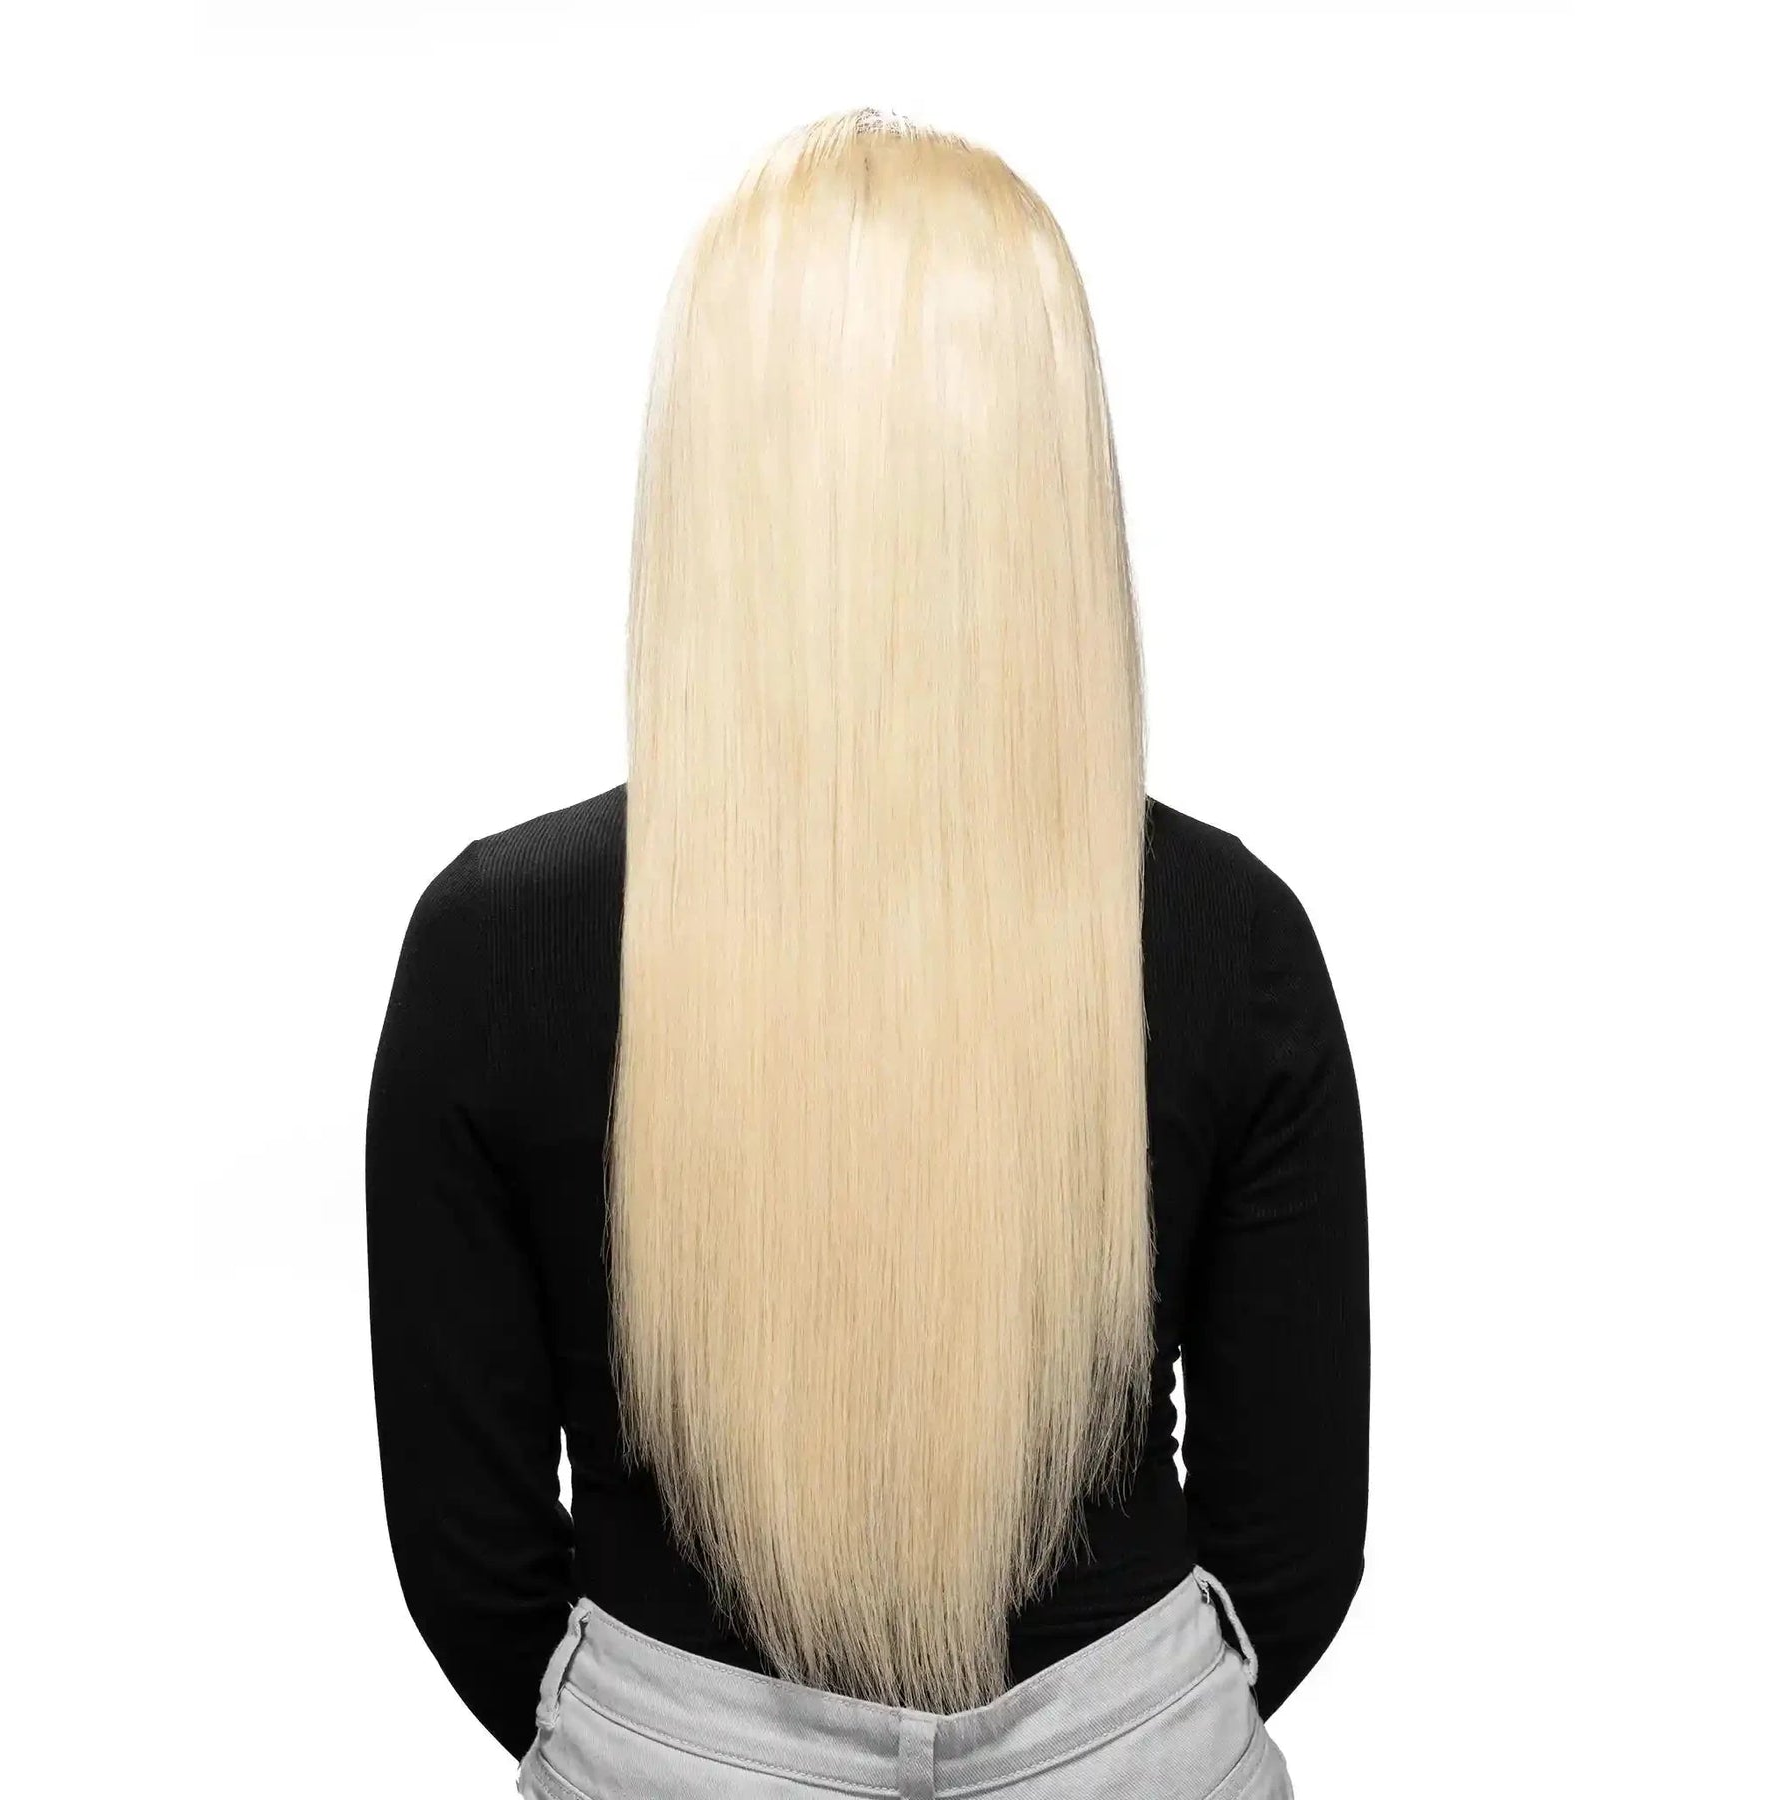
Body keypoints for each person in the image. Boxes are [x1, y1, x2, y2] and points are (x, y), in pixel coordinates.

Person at [366, 105, 1368, 1800]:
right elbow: (1294, 1537)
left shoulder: (493, 947)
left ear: (712, 464)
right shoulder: (1230, 935)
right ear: (1046, 463)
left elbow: (471, 1556)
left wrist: (673, 1737)